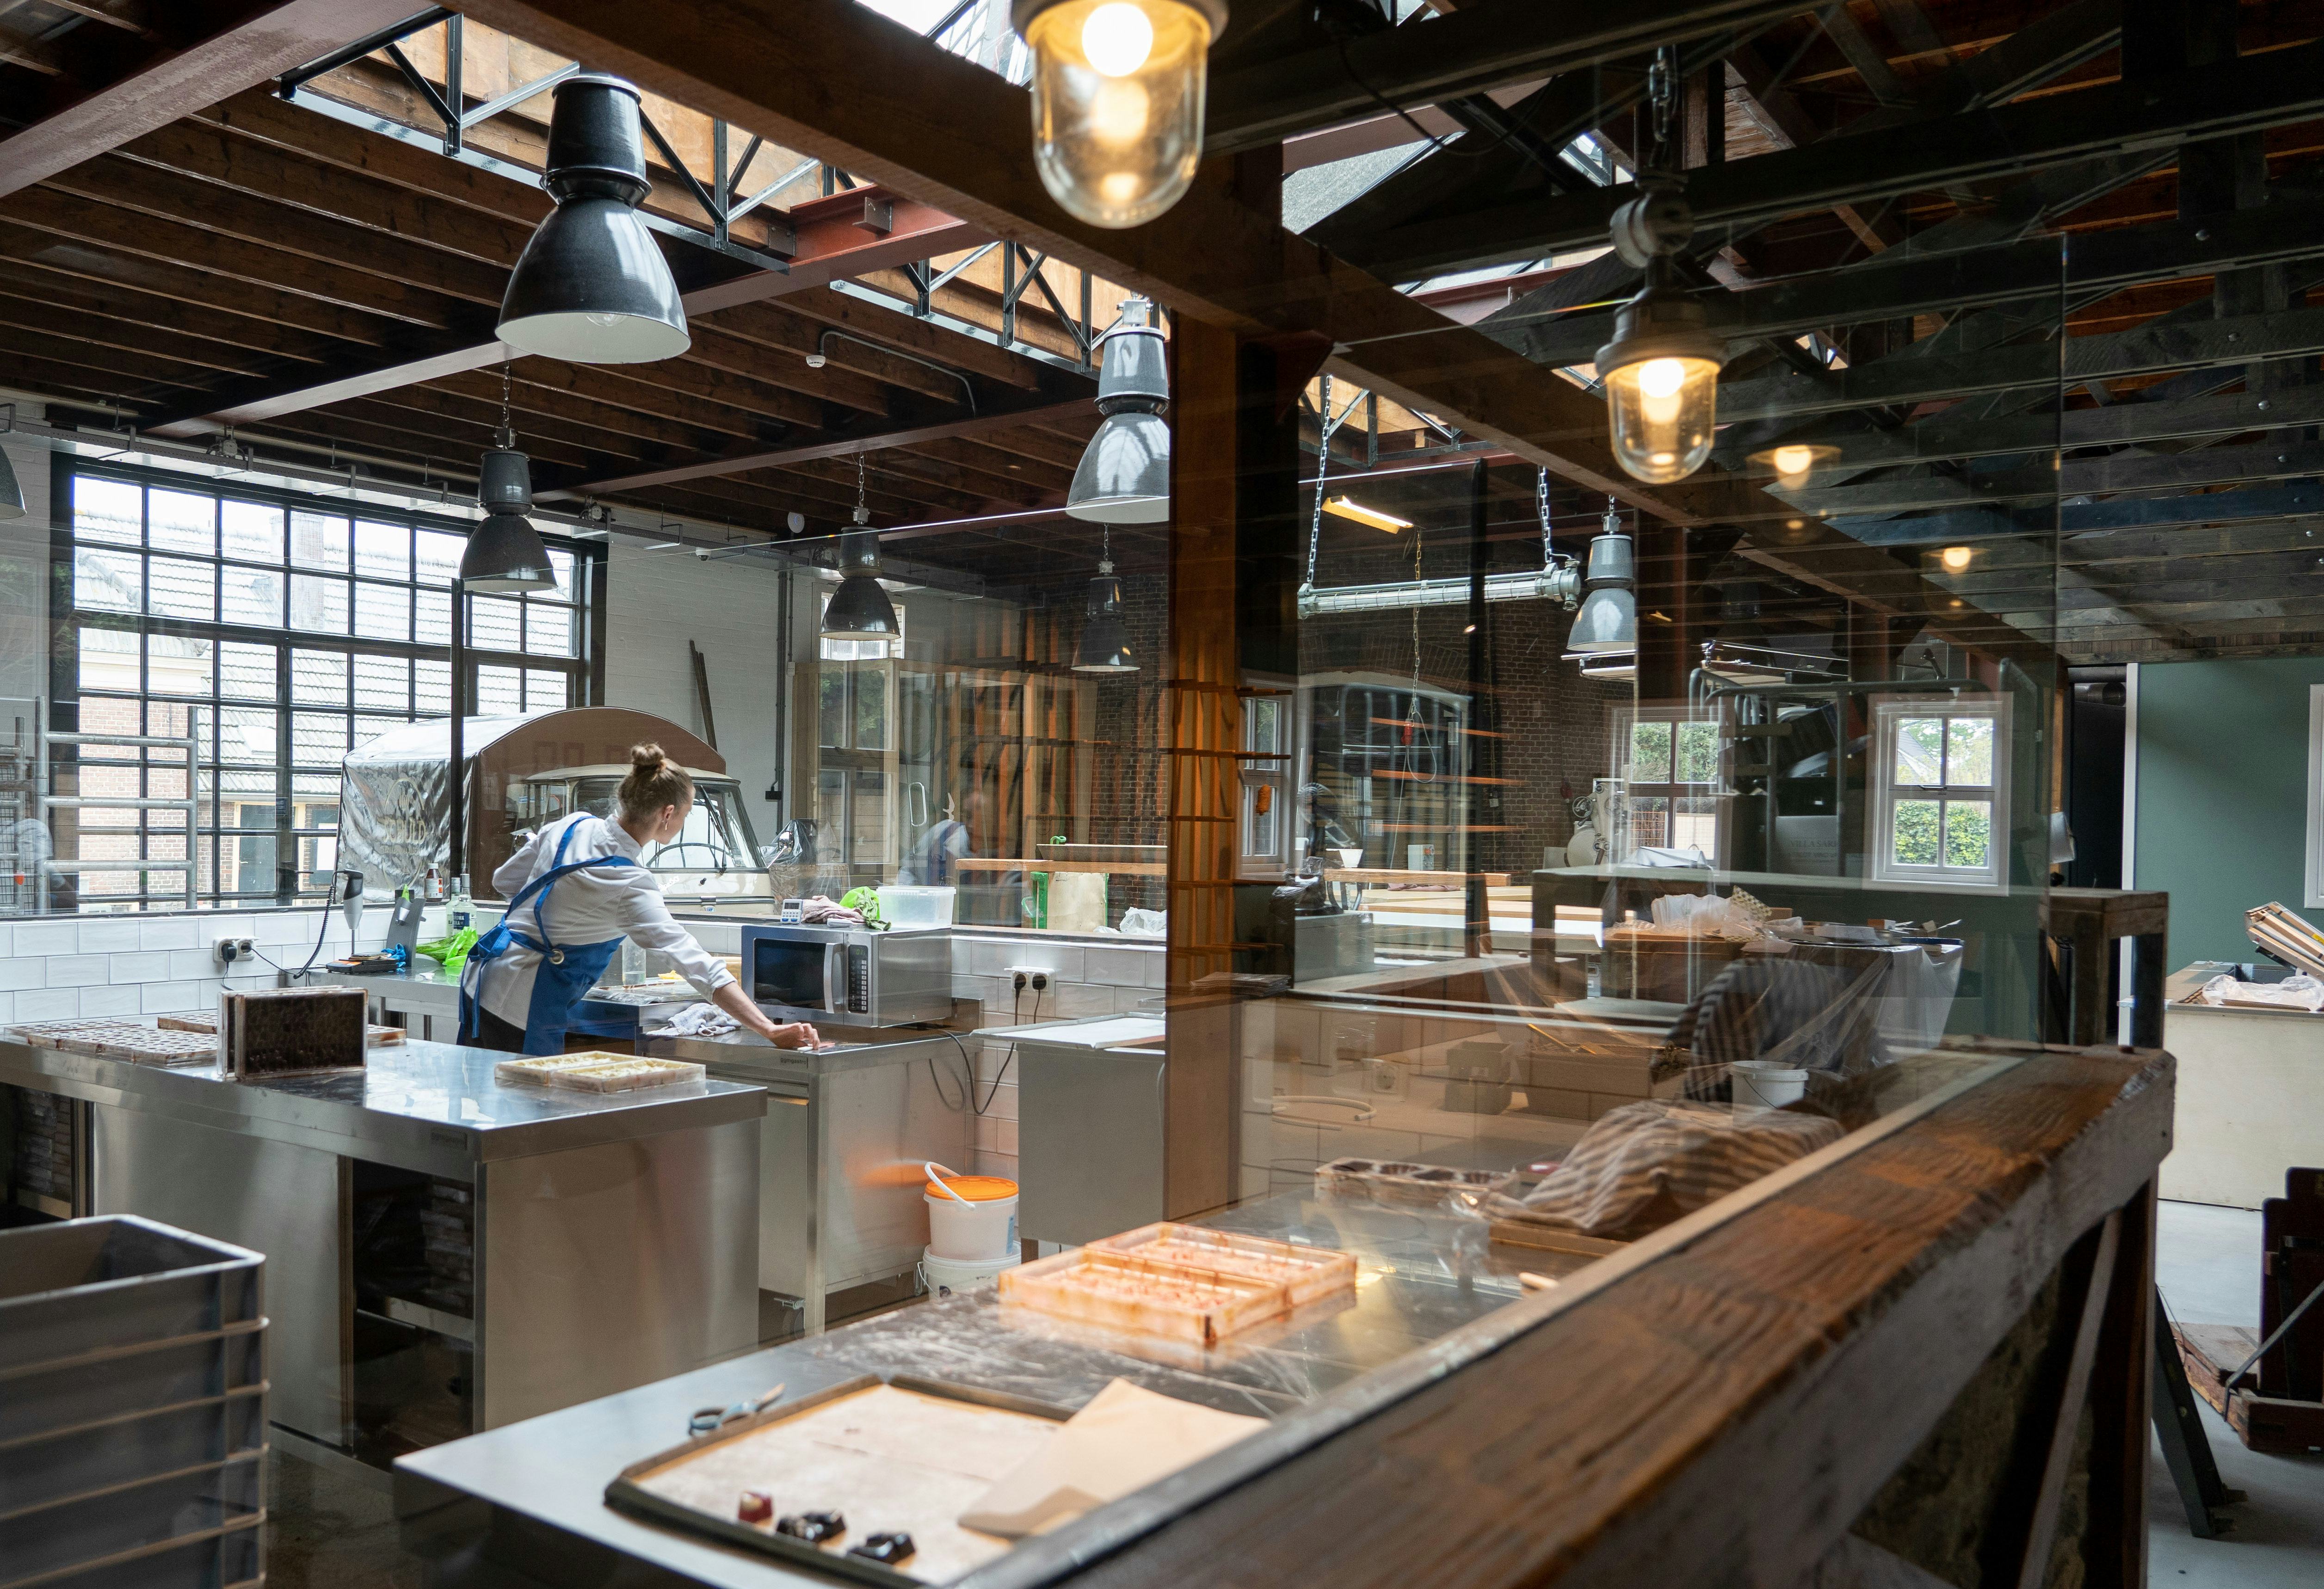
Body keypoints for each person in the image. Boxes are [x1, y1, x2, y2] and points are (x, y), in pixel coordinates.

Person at [459, 743, 820, 1056]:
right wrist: (767, 1029)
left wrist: (562, 916)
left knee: (479, 1105)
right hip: (524, 1004)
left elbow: (505, 882)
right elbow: (695, 964)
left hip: (483, 978)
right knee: (520, 1117)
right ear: (667, 814)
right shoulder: (630, 882)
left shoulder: (571, 824)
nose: (683, 820)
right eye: (686, 813)